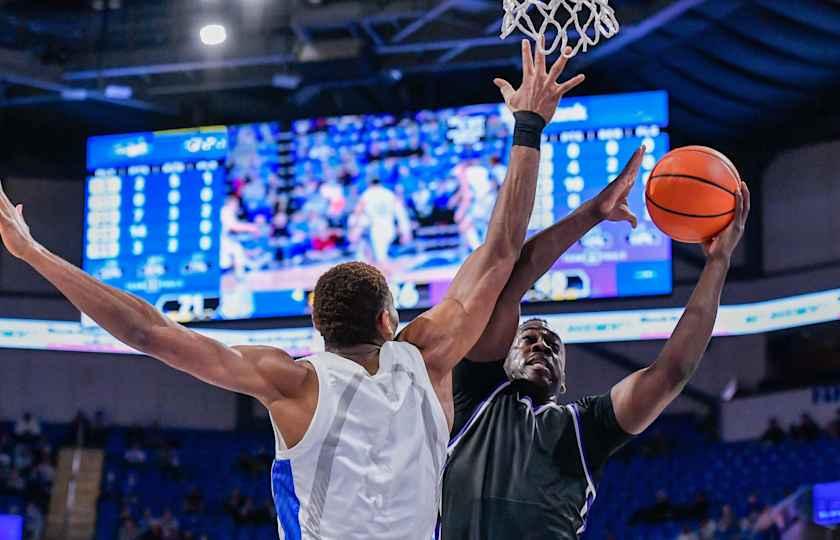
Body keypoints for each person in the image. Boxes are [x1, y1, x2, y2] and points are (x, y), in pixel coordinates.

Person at [0, 38, 583, 540]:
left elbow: (145, 330)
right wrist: (528, 127)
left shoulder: (293, 382)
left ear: (318, 326)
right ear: (388, 321)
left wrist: (35, 252)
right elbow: (504, 251)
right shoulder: (427, 355)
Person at [440, 147, 751, 538]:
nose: (542, 346)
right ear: (504, 357)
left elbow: (671, 372)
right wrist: (593, 213)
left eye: (553, 345)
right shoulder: (473, 397)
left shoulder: (584, 427)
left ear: (563, 381)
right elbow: (509, 281)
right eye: (530, 339)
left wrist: (718, 262)